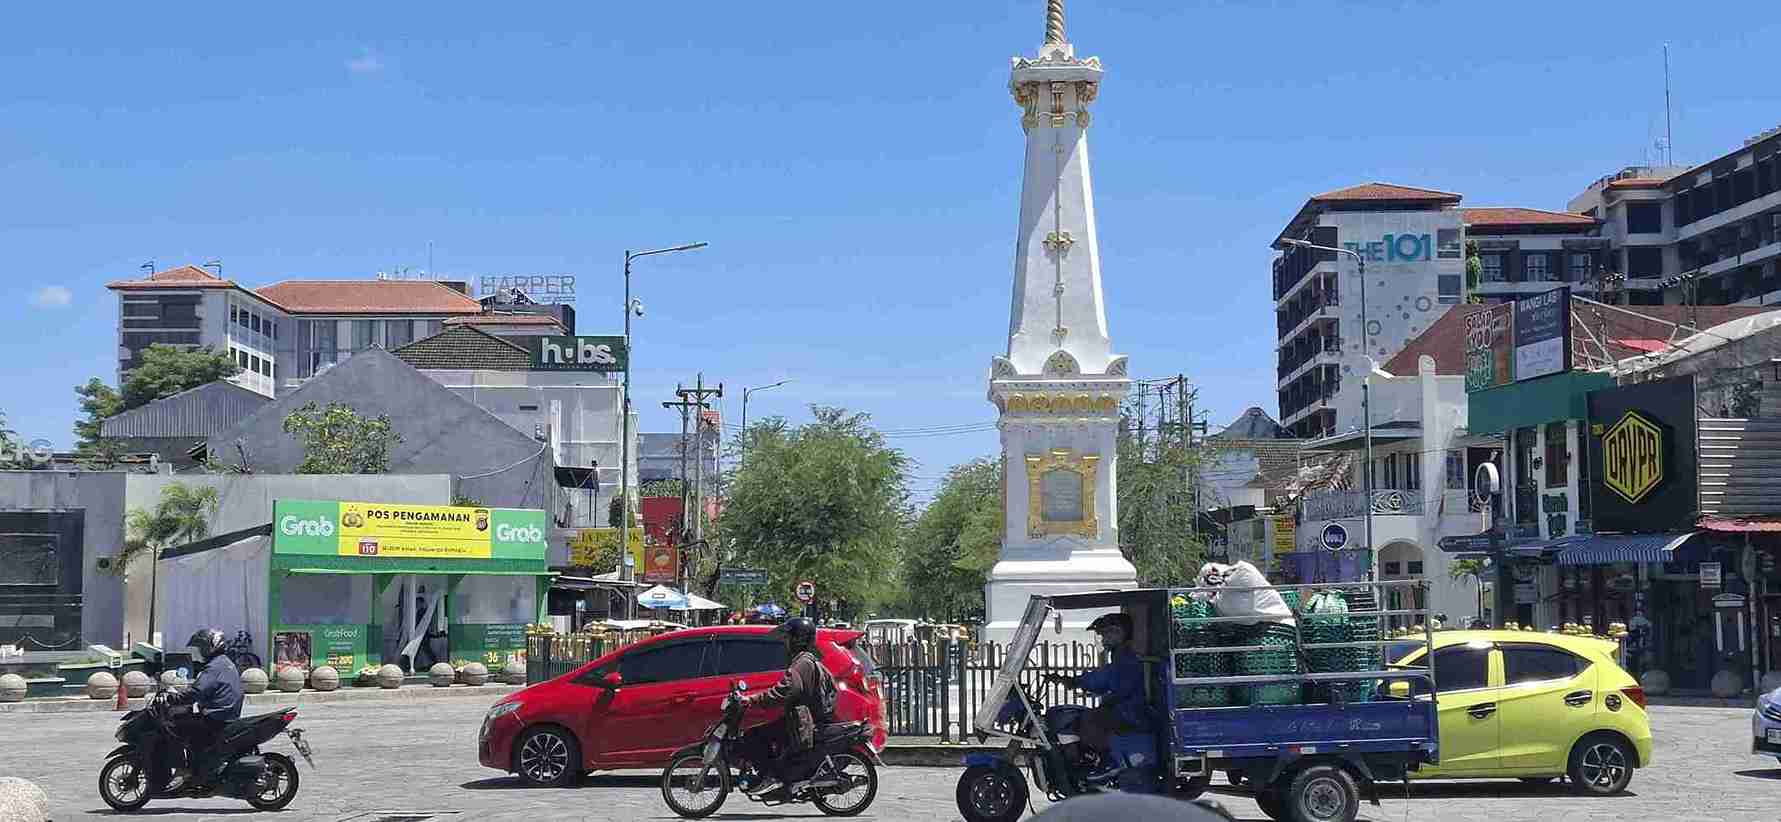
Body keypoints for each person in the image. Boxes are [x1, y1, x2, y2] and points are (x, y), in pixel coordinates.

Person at [1044, 613, 1152, 789]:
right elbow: (1105, 677)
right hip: (1125, 706)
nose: (1102, 639)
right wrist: (1074, 681)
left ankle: (1109, 762)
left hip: (1130, 710)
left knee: (1089, 719)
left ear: (1118, 633)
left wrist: (1076, 681)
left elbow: (1107, 678)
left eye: (1105, 634)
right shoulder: (1119, 656)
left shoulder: (1126, 658)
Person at [738, 617, 836, 797]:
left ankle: (771, 777)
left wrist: (754, 699)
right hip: (803, 716)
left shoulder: (801, 664)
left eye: (788, 638)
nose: (785, 643)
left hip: (801, 720)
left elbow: (787, 689)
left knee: (754, 736)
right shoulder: (807, 660)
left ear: (797, 639)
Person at [167, 628, 243, 786]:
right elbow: (204, 689)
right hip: (224, 713)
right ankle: (197, 768)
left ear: (212, 646)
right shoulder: (224, 662)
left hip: (217, 717)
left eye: (202, 647)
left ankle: (183, 770)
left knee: (174, 728)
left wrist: (174, 697)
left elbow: (196, 691)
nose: (201, 651)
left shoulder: (214, 667)